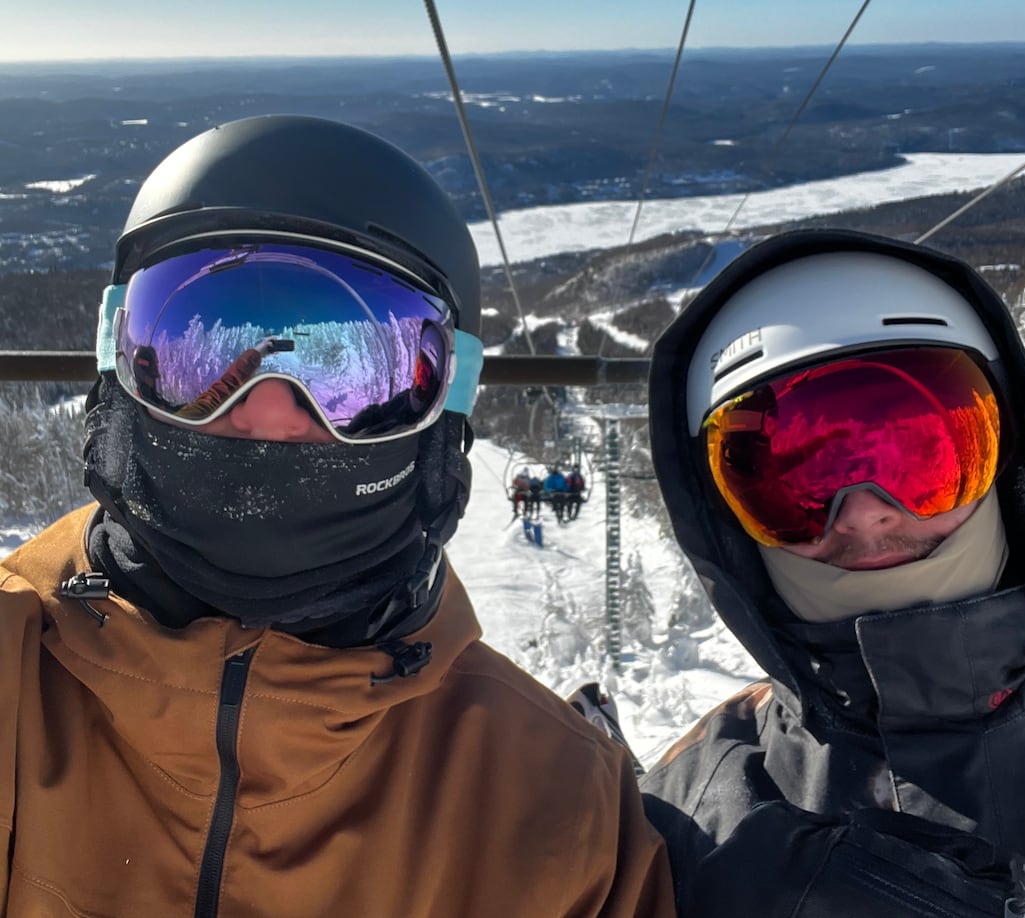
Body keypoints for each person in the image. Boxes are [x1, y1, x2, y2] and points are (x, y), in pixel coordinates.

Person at [0, 114, 675, 917]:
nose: (269, 418)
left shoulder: (555, 803)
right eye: (197, 354)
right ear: (118, 366)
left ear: (447, 407)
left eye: (352, 378)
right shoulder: (16, 675)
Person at [639, 228, 1025, 916]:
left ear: (1010, 472)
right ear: (727, 525)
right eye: (791, 482)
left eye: (920, 458)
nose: (862, 516)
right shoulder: (687, 826)